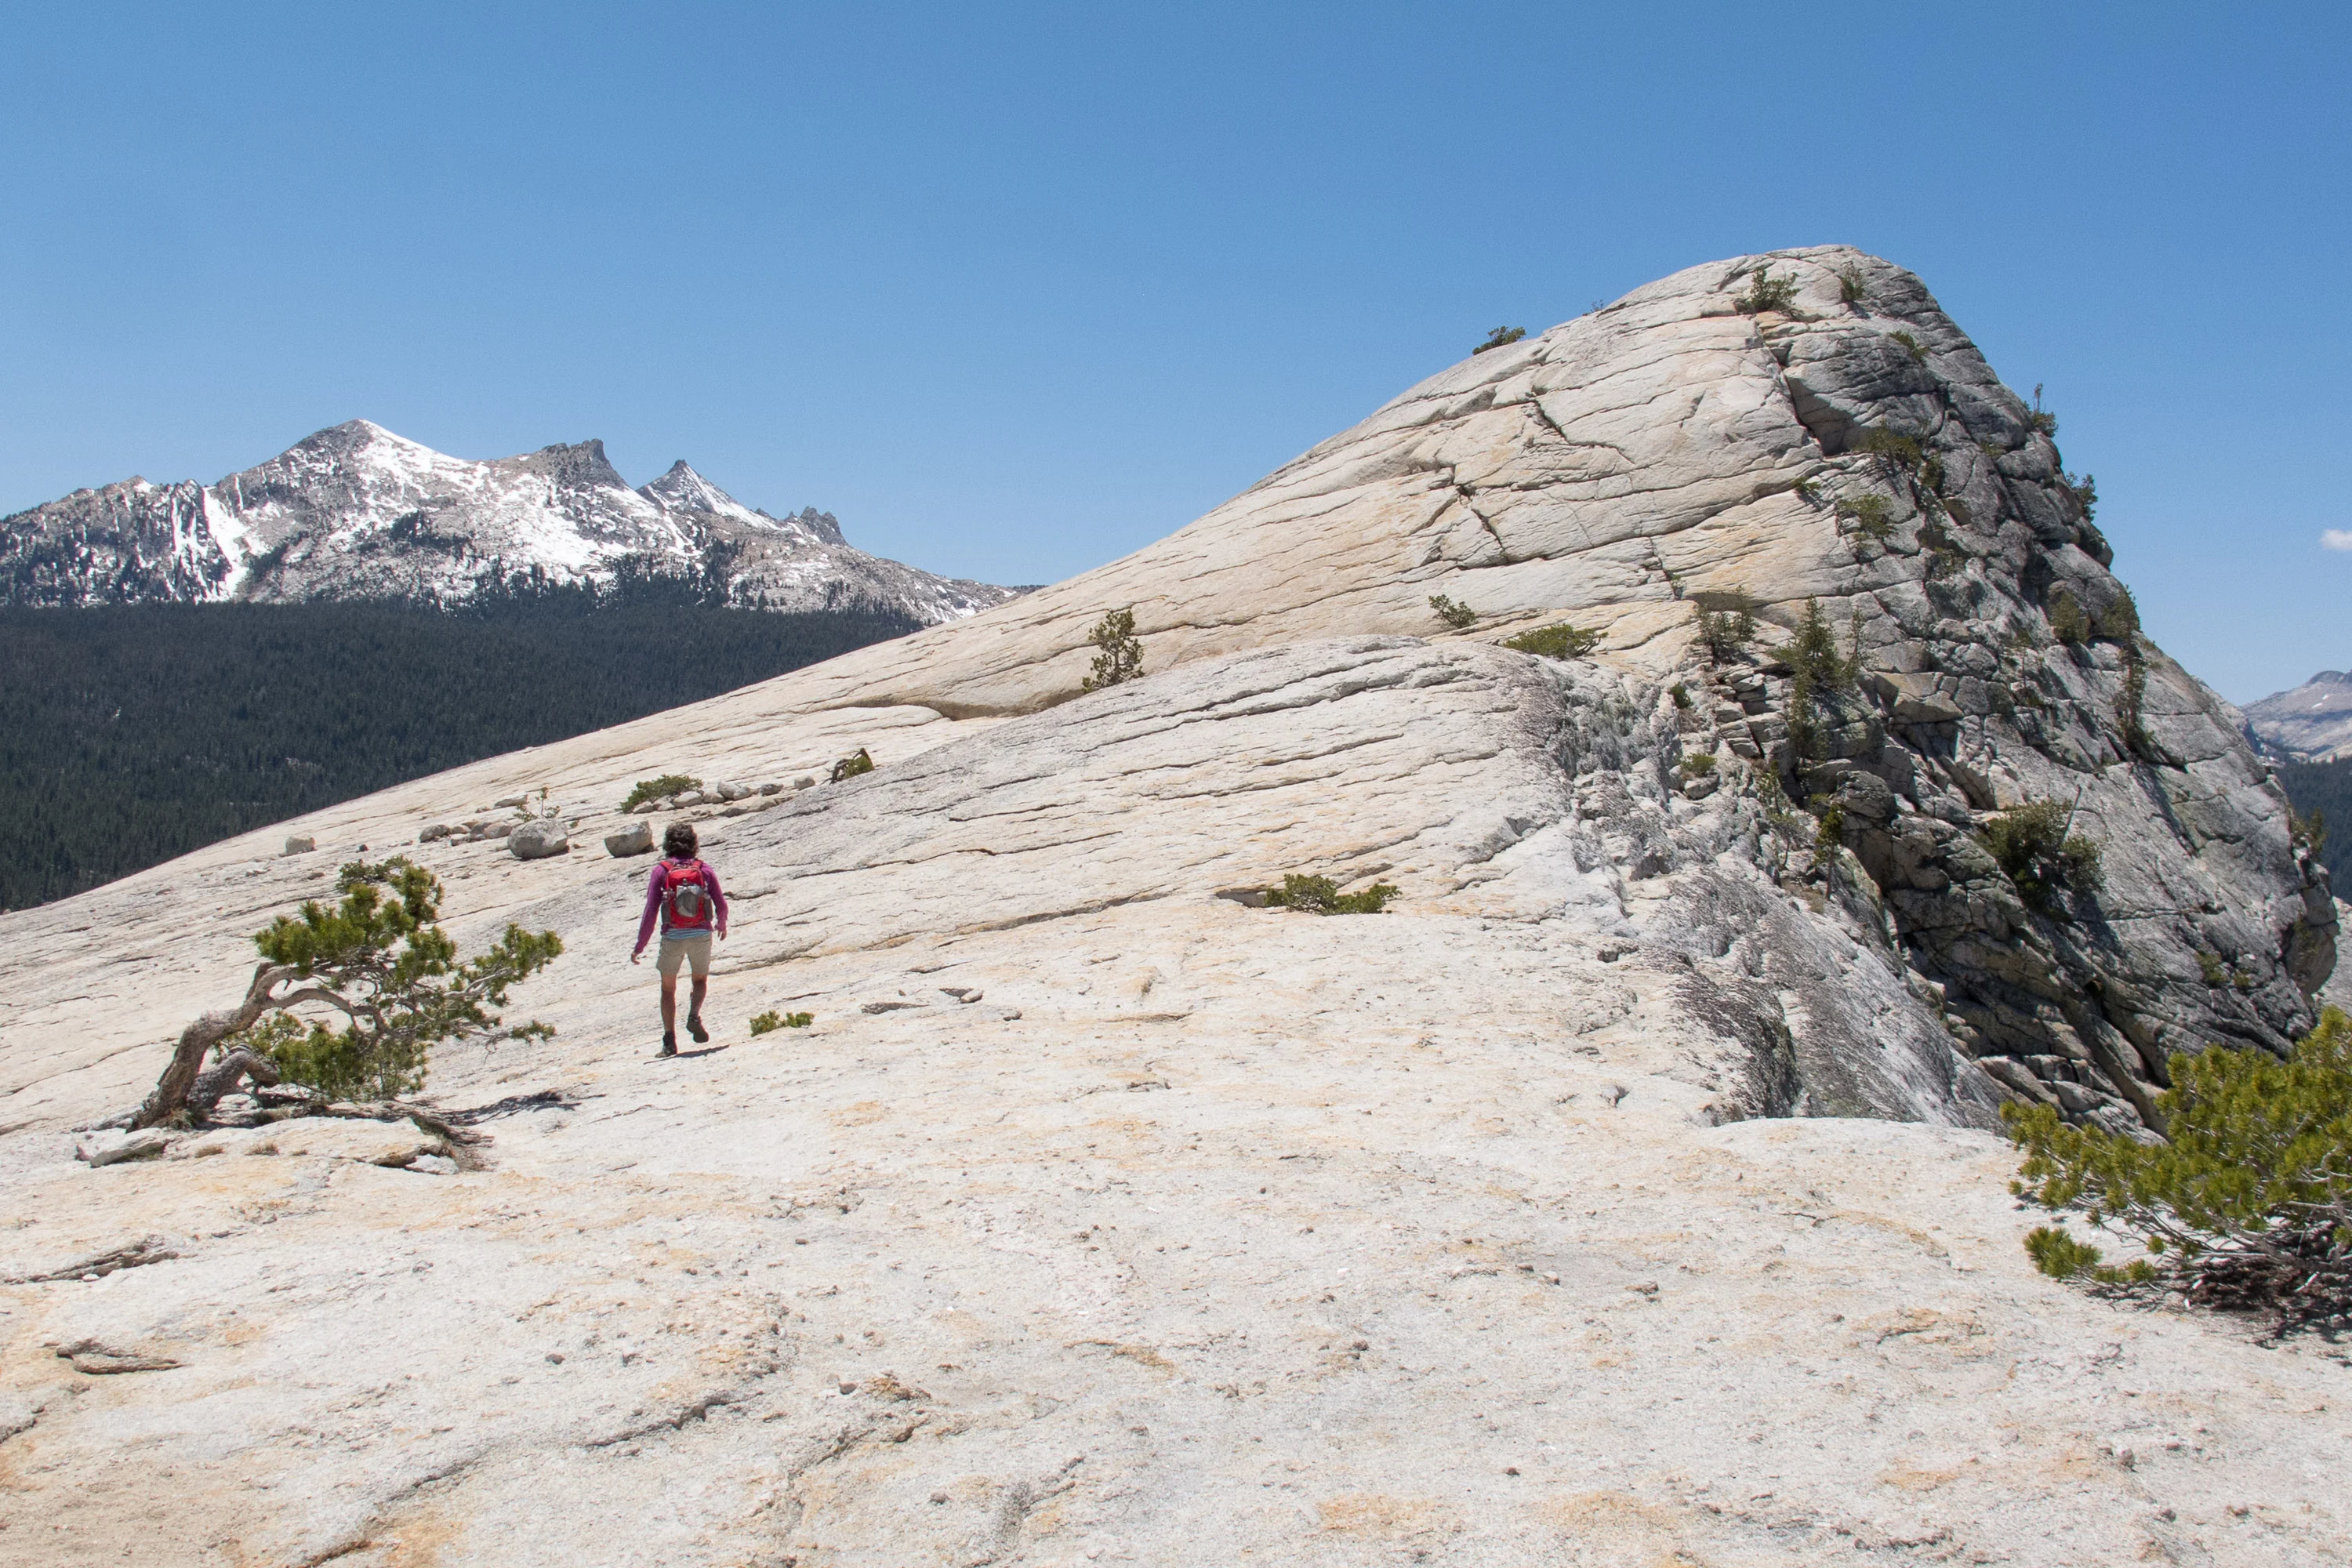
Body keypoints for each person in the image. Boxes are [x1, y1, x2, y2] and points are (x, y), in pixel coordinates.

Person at [630, 823, 728, 1056]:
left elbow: (650, 912)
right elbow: (721, 903)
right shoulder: (703, 869)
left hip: (672, 936)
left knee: (667, 990)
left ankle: (669, 1042)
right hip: (701, 934)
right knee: (700, 981)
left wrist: (640, 946)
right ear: (693, 843)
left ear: (668, 844)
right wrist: (721, 924)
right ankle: (694, 1014)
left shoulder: (661, 871)